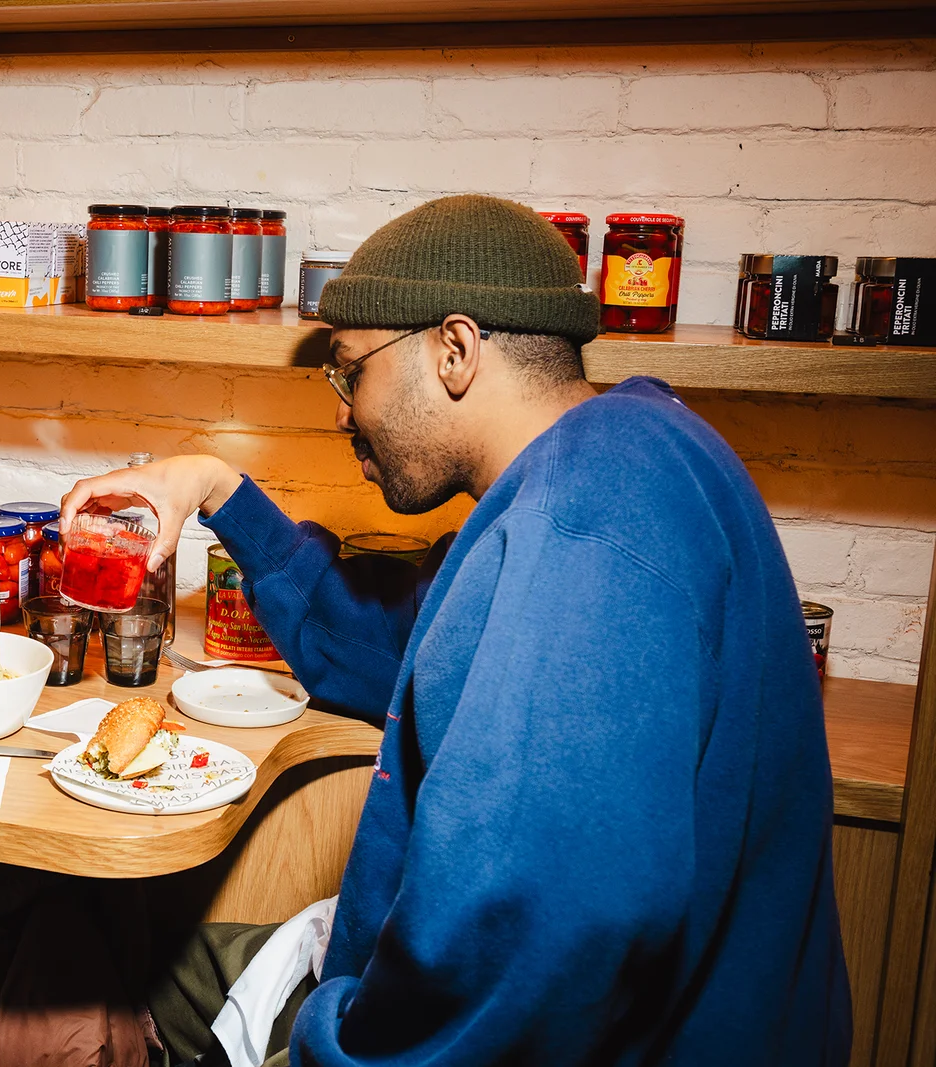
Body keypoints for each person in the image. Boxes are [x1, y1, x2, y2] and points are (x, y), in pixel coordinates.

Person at [63, 195, 851, 1064]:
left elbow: (527, 948)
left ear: (455, 350)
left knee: (111, 977)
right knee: (169, 966)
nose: (339, 411)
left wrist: (327, 1043)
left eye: (348, 370)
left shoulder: (583, 529)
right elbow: (378, 647)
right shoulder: (610, 461)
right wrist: (214, 487)